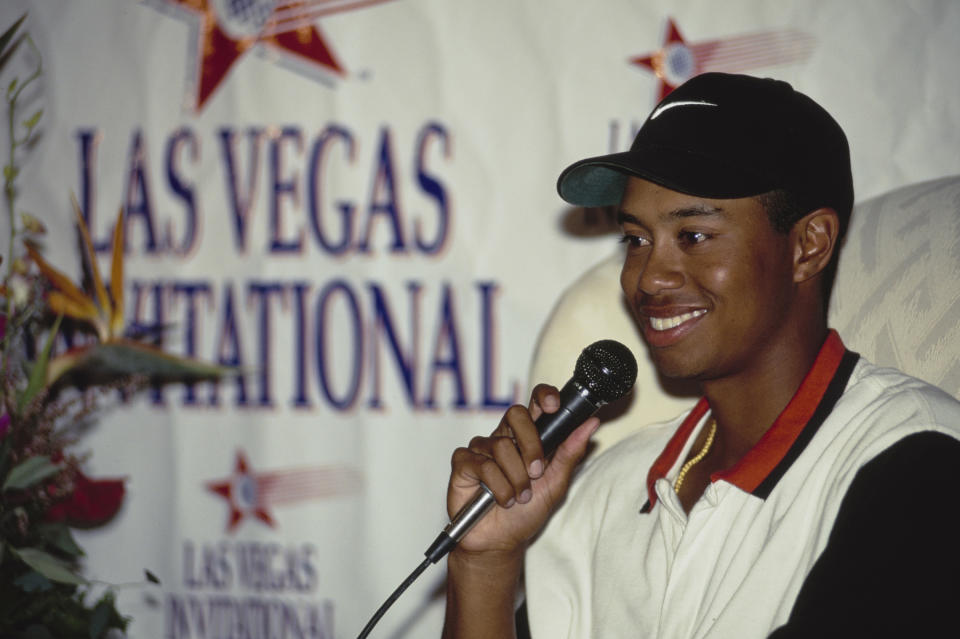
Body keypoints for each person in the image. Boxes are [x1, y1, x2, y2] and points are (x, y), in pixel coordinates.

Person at [440, 72, 960, 638]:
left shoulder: (918, 465)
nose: (649, 277)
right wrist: (485, 563)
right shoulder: (602, 489)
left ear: (808, 245)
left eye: (693, 236)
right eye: (635, 240)